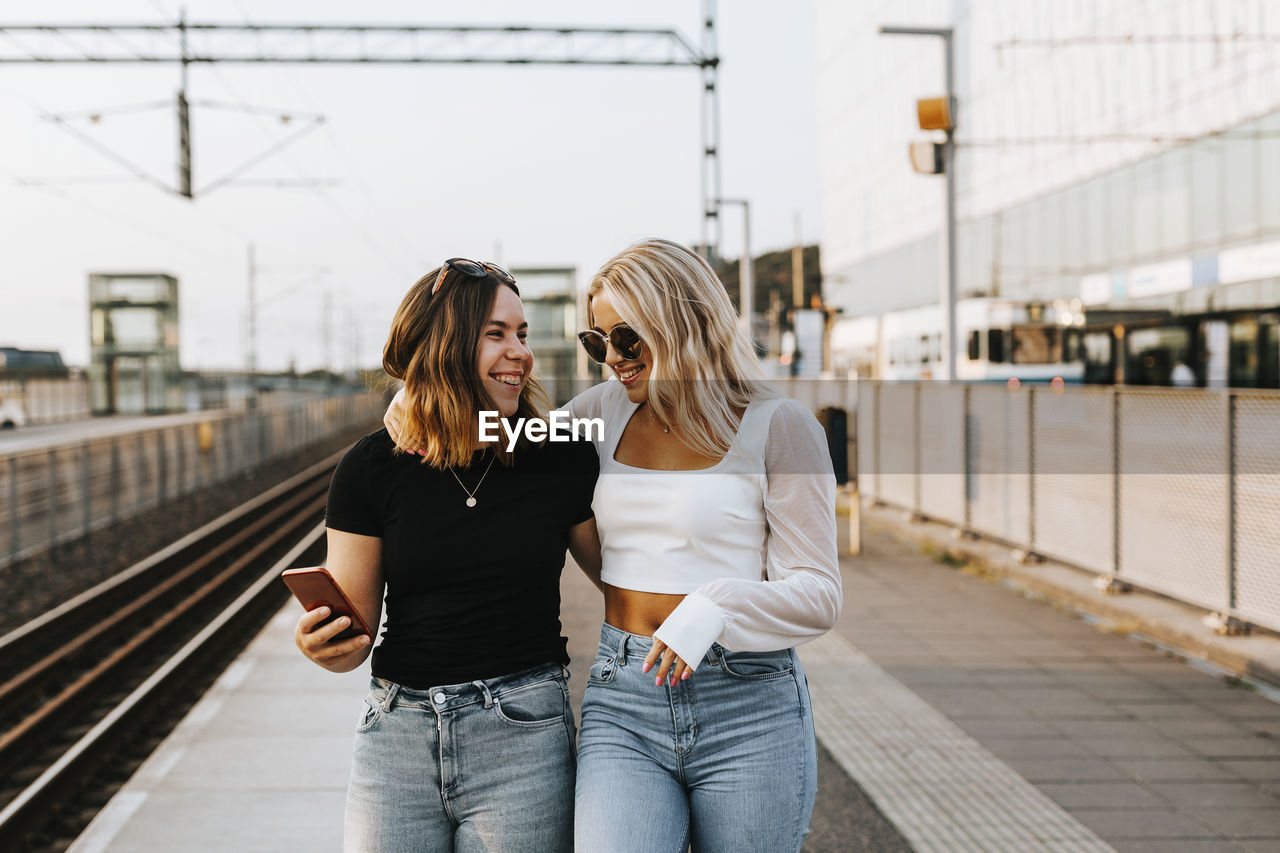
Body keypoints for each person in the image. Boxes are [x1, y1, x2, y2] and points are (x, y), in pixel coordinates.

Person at [386, 238, 840, 851]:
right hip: (626, 699)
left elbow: (818, 594)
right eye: (596, 343)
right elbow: (482, 433)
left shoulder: (778, 425)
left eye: (627, 339)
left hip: (749, 702)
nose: (613, 360)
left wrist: (715, 606)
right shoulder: (600, 416)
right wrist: (409, 399)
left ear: (685, 323)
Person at [297, 258, 599, 853]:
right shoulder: (370, 467)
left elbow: (627, 579)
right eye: (496, 333)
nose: (520, 352)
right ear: (446, 345)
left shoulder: (555, 453)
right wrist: (321, 645)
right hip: (396, 738)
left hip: (522, 738)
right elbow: (350, 643)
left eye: (522, 333)